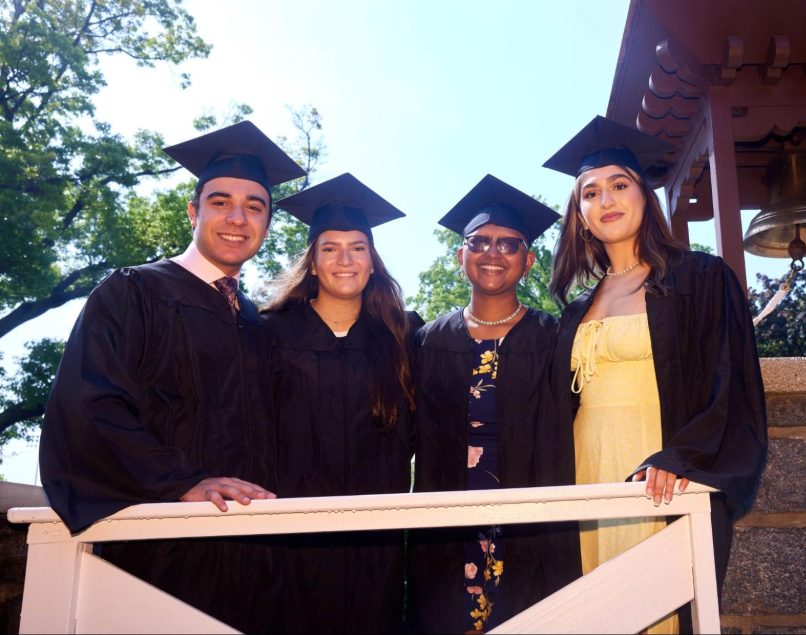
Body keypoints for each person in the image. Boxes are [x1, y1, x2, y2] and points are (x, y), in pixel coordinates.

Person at [39, 120, 305, 632]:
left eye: (255, 207)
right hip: (161, 550)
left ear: (268, 224)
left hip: (252, 563)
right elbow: (92, 405)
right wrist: (181, 481)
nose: (237, 217)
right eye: (221, 201)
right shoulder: (133, 292)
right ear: (193, 210)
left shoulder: (259, 325)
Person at [544, 116, 768, 634]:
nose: (607, 201)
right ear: (579, 215)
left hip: (659, 472)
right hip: (586, 470)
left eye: (620, 185)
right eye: (590, 193)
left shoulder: (701, 279)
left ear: (644, 195)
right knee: (593, 609)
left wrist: (680, 456)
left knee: (655, 610)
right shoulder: (577, 306)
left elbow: (730, 386)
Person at [407, 174, 580, 634]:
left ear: (527, 261)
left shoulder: (555, 337)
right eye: (479, 241)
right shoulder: (427, 340)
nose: (492, 253)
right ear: (460, 254)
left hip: (531, 529)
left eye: (508, 244)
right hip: (448, 528)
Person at [262, 173, 422, 634]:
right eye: (330, 248)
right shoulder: (269, 334)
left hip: (379, 542)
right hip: (290, 539)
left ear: (373, 261)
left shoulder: (404, 336)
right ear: (312, 263)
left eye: (358, 247)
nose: (345, 259)